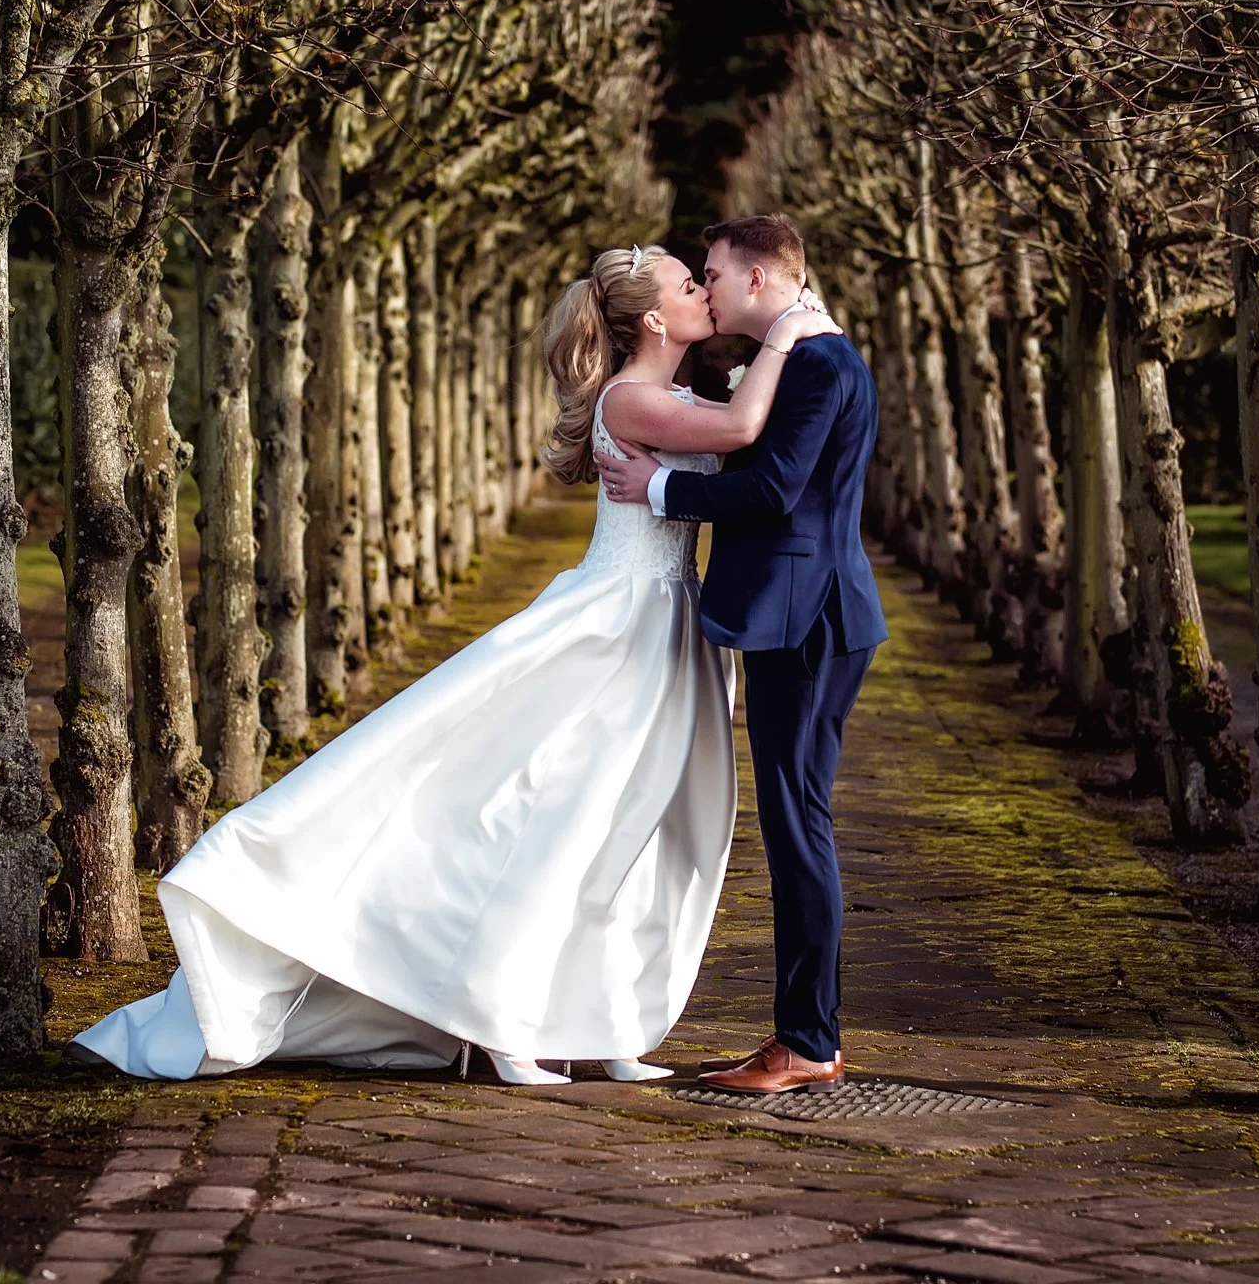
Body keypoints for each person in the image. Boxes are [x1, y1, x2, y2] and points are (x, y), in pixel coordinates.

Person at [65, 242, 838, 1085]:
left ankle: (602, 1024)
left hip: (671, 629)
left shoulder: (677, 394)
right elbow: (739, 432)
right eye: (690, 286)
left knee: (635, 829)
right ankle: (503, 1024)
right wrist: (788, 334)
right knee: (559, 821)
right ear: (654, 317)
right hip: (615, 629)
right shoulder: (633, 399)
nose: (705, 294)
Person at [595, 213, 887, 1097]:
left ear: (757, 280)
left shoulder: (820, 363)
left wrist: (657, 486)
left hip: (806, 622)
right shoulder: (803, 358)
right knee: (798, 822)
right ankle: (809, 1035)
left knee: (799, 826)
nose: (707, 287)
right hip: (800, 616)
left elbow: (772, 491)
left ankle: (806, 1041)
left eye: (713, 273)